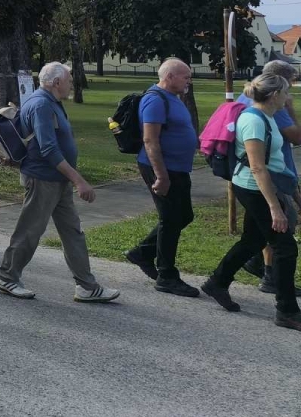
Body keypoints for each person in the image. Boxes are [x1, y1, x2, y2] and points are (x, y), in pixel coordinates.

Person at [0, 62, 119, 303]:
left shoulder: (51, 102)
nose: (72, 84)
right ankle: (6, 276)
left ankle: (86, 286)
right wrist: (79, 181)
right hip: (43, 179)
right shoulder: (41, 105)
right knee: (30, 230)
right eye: (69, 80)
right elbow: (48, 149)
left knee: (73, 232)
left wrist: (70, 178)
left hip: (58, 180)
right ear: (56, 82)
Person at [202, 73, 301, 329]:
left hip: (262, 187)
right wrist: (275, 208)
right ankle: (287, 311)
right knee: (285, 248)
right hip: (254, 188)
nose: (288, 97)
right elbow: (257, 167)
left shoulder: (267, 116)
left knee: (253, 240)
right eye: (286, 92)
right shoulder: (254, 120)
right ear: (274, 95)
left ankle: (217, 282)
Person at [123, 58, 201, 297]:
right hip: (162, 168)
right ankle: (167, 276)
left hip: (178, 168)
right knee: (170, 218)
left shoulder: (173, 97)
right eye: (185, 77)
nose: (189, 81)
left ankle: (142, 252)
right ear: (170, 77)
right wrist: (161, 176)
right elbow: (150, 140)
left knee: (184, 215)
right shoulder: (155, 100)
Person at [236, 60, 301, 296]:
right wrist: (291, 109)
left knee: (256, 234)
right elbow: (296, 137)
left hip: (263, 176)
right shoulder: (268, 107)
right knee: (282, 230)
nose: (290, 91)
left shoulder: (251, 98)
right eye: (290, 84)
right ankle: (272, 279)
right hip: (269, 177)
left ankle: (223, 279)